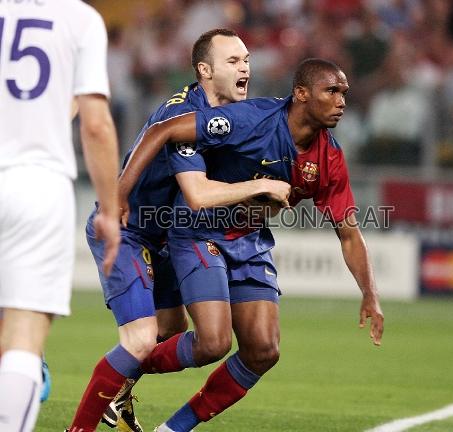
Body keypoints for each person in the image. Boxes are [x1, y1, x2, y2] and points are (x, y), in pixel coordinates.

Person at [118, 58, 384, 432]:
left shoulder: (330, 158)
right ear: (302, 94)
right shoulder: (251, 119)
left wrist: (370, 293)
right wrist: (122, 192)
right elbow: (163, 131)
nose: (341, 101)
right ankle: (119, 375)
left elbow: (350, 233)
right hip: (199, 231)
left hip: (249, 243)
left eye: (344, 93)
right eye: (332, 91)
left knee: (263, 351)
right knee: (212, 343)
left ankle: (172, 429)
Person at [67, 29, 291, 432]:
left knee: (171, 331)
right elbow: (197, 192)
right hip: (129, 231)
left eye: (246, 60)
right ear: (205, 70)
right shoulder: (182, 115)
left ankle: (118, 391)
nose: (245, 68)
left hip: (168, 237)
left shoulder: (229, 120)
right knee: (140, 339)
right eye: (233, 61)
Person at [0, 1, 121, 431]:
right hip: (36, 183)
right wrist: (109, 209)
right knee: (23, 338)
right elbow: (96, 125)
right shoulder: (79, 20)